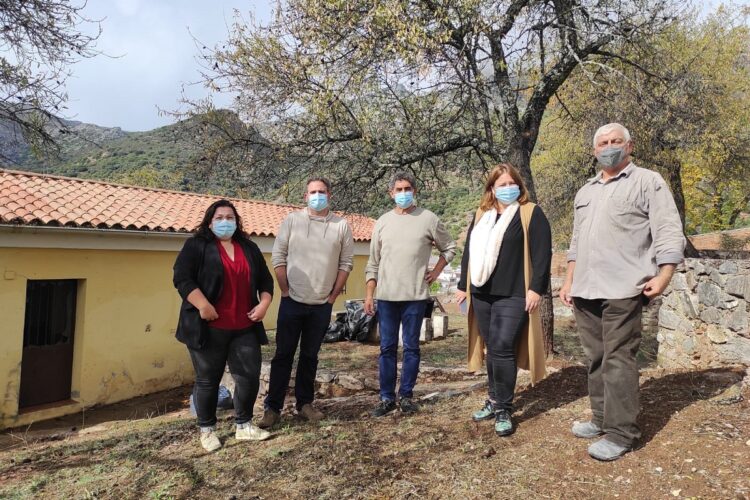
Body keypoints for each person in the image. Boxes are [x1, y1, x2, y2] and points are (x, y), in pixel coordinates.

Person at [560, 123, 685, 461]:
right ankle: (601, 418)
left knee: (618, 359)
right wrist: (569, 280)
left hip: (624, 286)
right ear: (594, 150)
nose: (609, 146)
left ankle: (621, 433)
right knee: (597, 357)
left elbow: (668, 229)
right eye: (603, 142)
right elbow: (576, 242)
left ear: (630, 147)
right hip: (586, 288)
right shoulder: (585, 191)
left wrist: (665, 275)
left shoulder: (648, 181)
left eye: (616, 141)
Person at [456, 163, 552, 436]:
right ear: (492, 189)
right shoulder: (481, 215)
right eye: (502, 185)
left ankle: (503, 408)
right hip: (482, 292)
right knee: (491, 348)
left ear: (519, 186)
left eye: (512, 184)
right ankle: (493, 398)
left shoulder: (529, 213)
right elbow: (469, 253)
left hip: (514, 293)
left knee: (502, 346)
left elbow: (542, 253)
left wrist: (536, 289)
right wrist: (464, 286)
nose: (508, 188)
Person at [173, 199, 274, 452]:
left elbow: (266, 281)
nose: (225, 222)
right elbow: (182, 278)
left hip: (244, 326)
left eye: (230, 217)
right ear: (210, 221)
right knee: (208, 380)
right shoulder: (197, 246)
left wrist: (263, 305)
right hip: (208, 326)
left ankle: (244, 425)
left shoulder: (248, 248)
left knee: (248, 377)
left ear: (237, 221)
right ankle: (207, 430)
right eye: (219, 217)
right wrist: (203, 305)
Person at [259, 177, 354, 427]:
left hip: (322, 305)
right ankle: (273, 409)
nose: (317, 196)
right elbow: (278, 256)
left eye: (322, 192)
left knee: (310, 356)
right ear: (305, 196)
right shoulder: (292, 221)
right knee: (283, 355)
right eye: (313, 192)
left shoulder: (341, 226)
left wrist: (332, 296)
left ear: (329, 195)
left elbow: (346, 263)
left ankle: (305, 404)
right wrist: (285, 290)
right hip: (292, 302)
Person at [365, 172, 456, 417]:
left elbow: (449, 247)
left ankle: (406, 396)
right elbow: (373, 262)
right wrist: (369, 294)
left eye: (407, 188)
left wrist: (436, 271)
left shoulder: (428, 219)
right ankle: (386, 398)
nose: (403, 193)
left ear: (414, 191)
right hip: (386, 297)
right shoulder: (382, 222)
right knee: (387, 348)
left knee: (412, 348)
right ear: (390, 193)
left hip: (415, 296)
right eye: (399, 189)